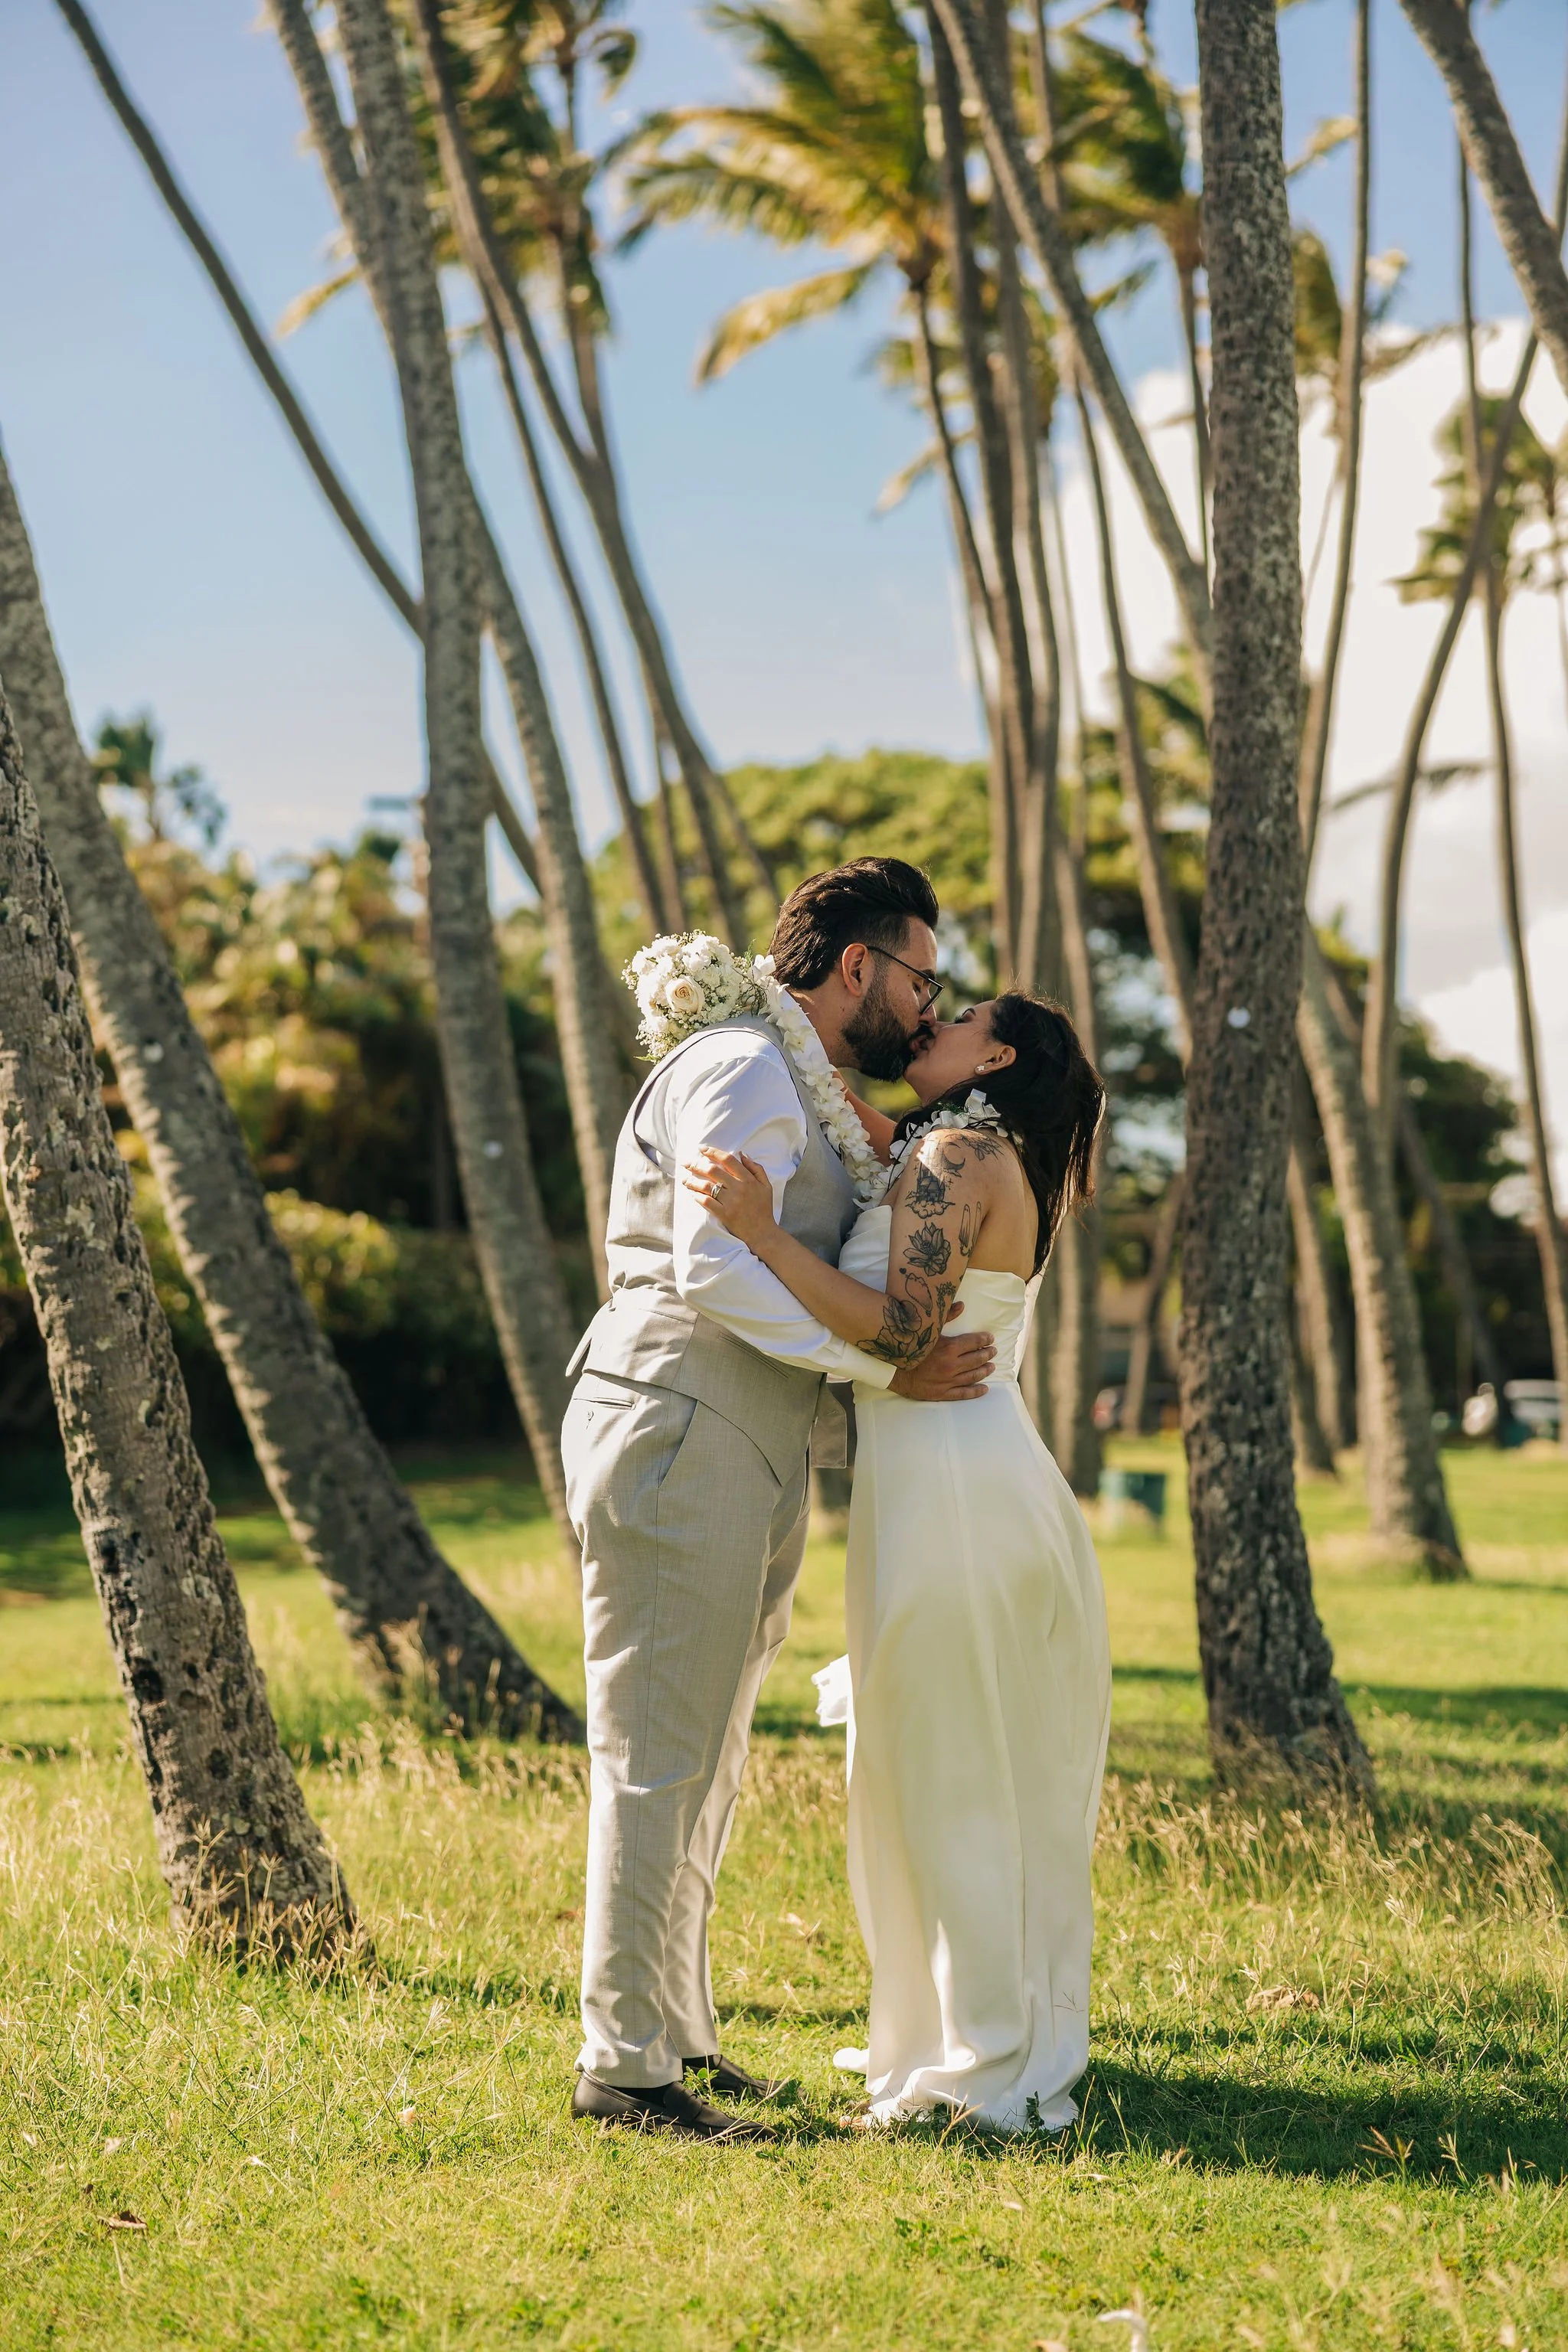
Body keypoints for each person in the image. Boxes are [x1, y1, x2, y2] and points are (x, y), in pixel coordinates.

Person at [560, 858, 996, 2143]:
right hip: (680, 1414)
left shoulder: (791, 1077)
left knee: (709, 1751)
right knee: (656, 1751)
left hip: (745, 1432)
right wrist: (881, 1360)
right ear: (856, 965)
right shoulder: (749, 1066)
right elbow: (712, 1267)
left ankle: (676, 2035)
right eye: (923, 978)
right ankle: (624, 2068)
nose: (929, 1010)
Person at [689, 991, 1112, 2134]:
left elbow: (900, 1333)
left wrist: (758, 1230)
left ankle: (982, 2067)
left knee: (955, 1774)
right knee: (935, 1769)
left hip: (960, 1501)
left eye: (961, 1015)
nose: (935, 1019)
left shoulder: (960, 1151)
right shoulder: (954, 1147)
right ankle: (948, 2032)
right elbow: (858, 1125)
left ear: (999, 1055)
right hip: (943, 1485)